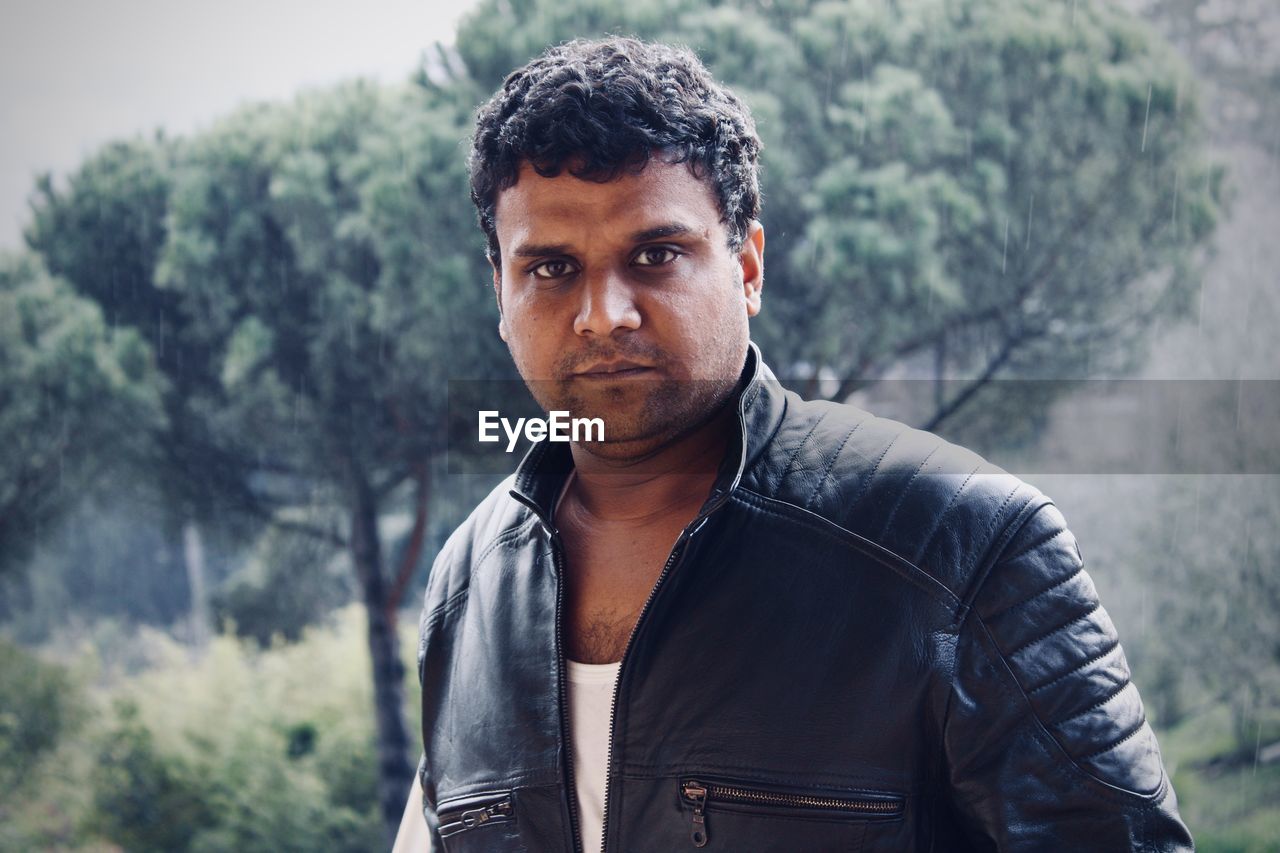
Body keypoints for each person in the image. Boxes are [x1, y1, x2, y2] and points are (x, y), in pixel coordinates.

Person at [396, 36, 1193, 851]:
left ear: (747, 267)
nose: (605, 313)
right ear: (501, 293)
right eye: (553, 269)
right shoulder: (468, 581)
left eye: (656, 254)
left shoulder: (966, 544)